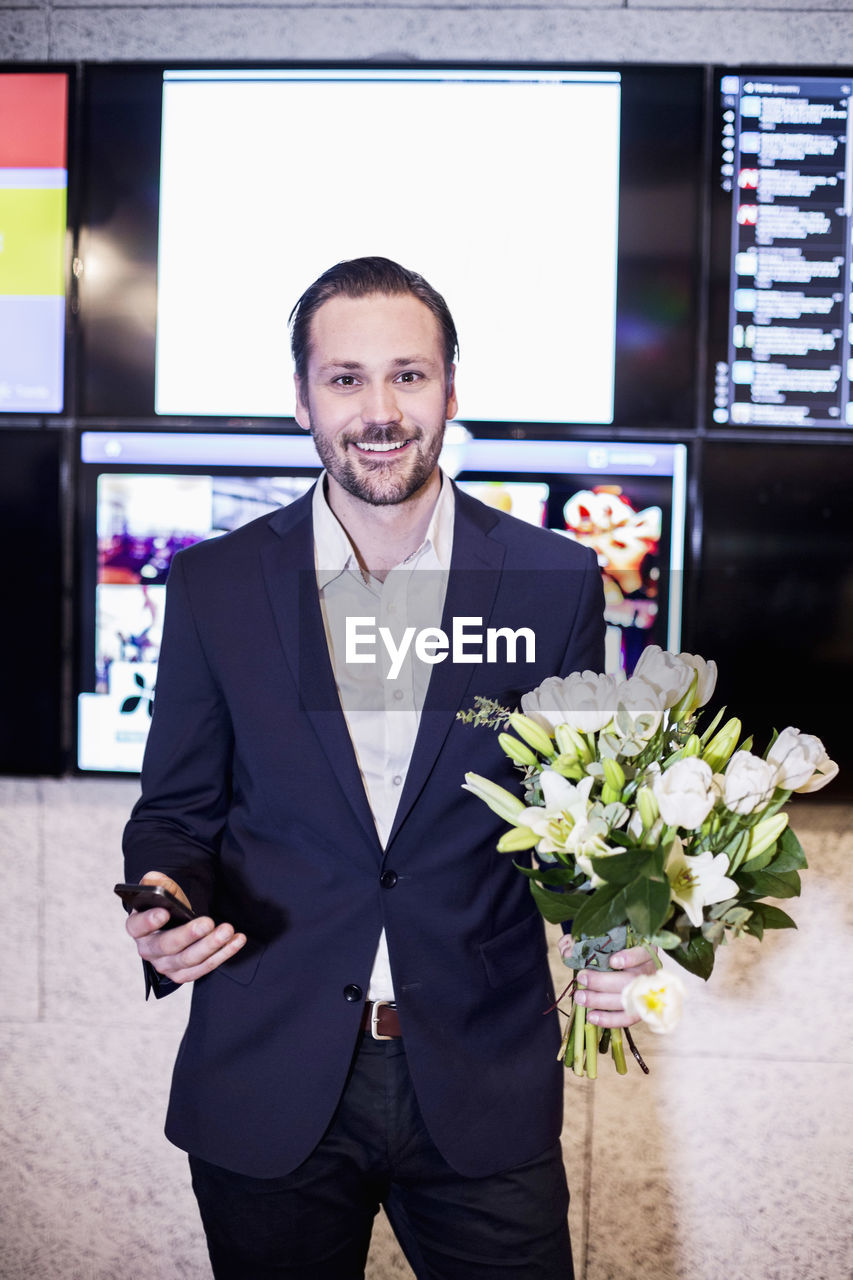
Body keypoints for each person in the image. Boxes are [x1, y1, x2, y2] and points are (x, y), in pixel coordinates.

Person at [123, 256, 657, 1279]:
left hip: (480, 1080)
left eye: (408, 376)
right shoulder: (216, 585)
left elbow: (581, 815)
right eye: (345, 377)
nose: (379, 410)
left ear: (452, 388)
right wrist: (163, 899)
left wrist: (617, 926)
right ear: (301, 399)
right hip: (268, 1073)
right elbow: (177, 814)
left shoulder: (552, 581)